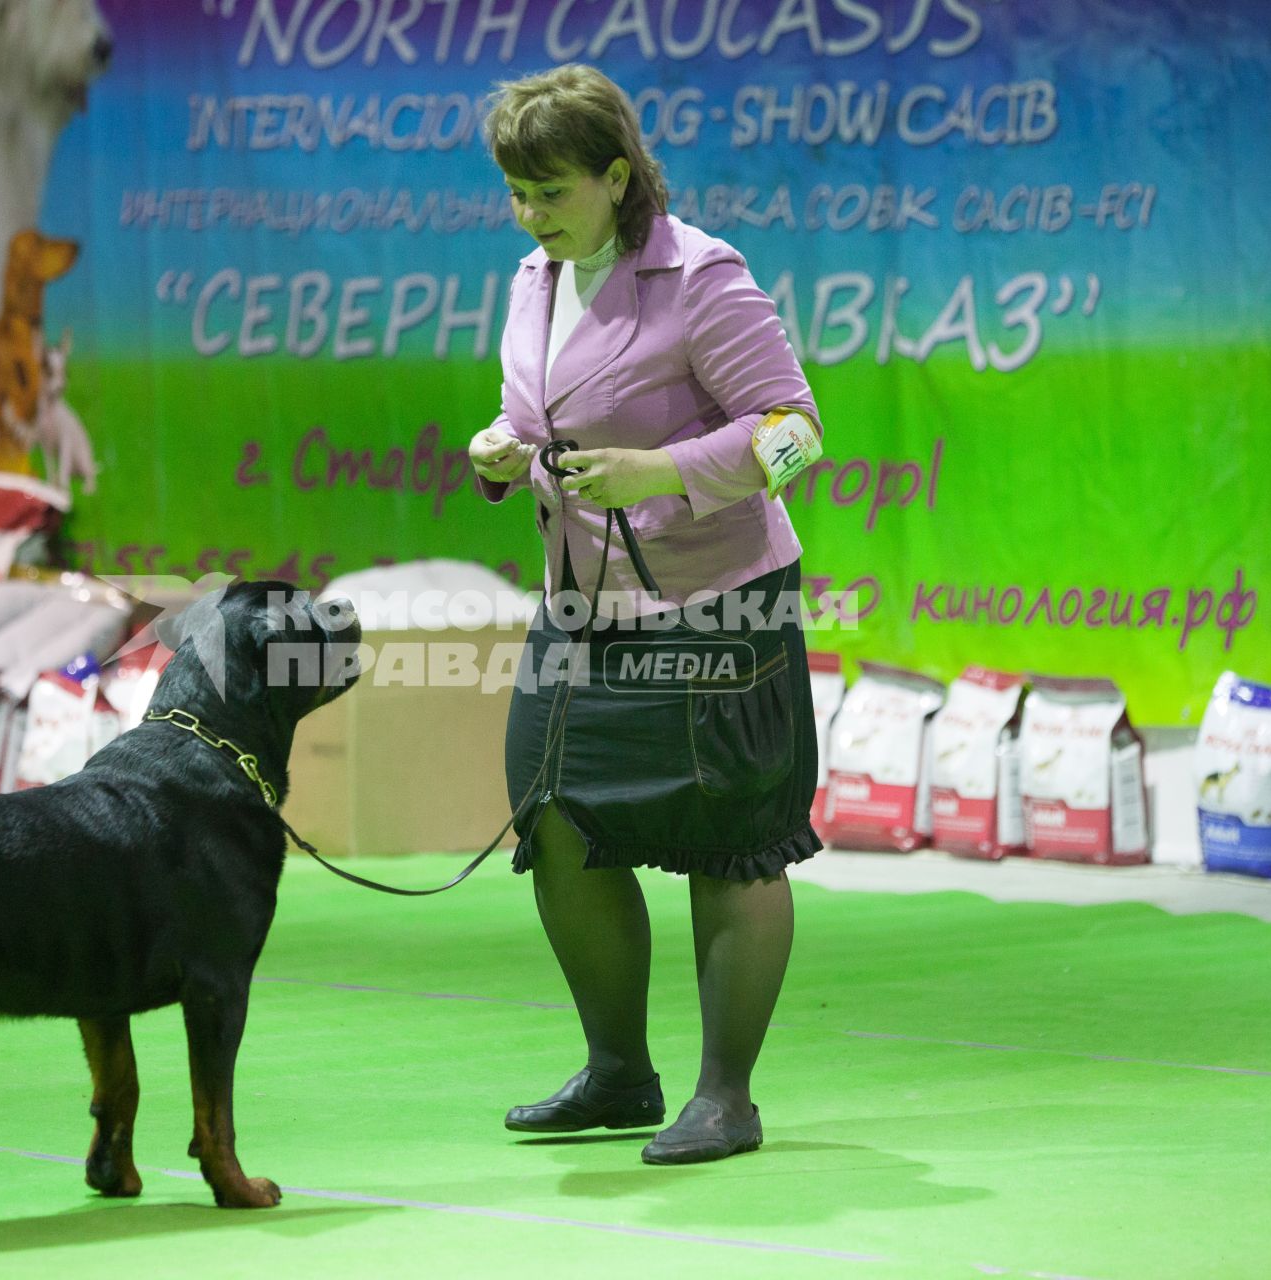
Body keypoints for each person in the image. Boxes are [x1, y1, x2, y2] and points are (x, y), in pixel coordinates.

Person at [468, 64, 826, 1166]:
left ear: (617, 174)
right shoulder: (537, 276)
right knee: (556, 815)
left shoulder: (703, 280)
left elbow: (797, 435)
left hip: (718, 603)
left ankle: (728, 1096)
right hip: (581, 607)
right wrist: (499, 451)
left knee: (733, 840)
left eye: (551, 191)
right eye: (517, 193)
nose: (529, 216)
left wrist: (664, 471)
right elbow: (543, 409)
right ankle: (619, 1070)